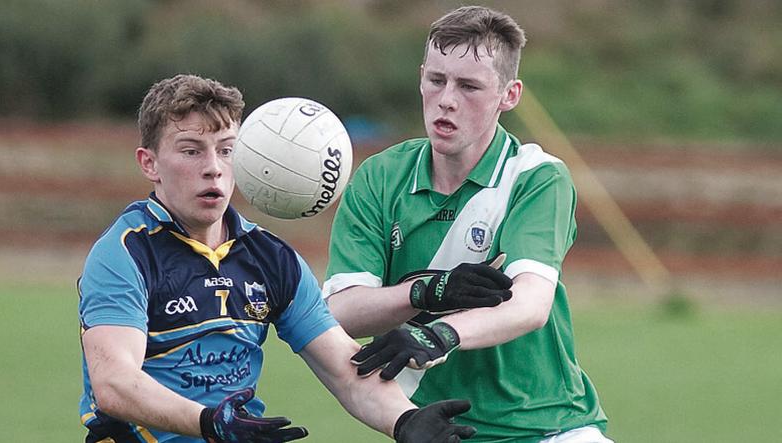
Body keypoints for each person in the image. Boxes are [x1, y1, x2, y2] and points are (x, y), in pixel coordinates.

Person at [77, 73, 478, 442]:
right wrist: (212, 422)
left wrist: (406, 420)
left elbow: (344, 366)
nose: (213, 168)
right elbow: (114, 383)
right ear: (150, 163)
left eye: (226, 150)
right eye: (191, 151)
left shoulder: (270, 257)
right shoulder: (125, 253)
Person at [323, 6, 611, 442]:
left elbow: (530, 305)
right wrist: (426, 291)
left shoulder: (536, 177)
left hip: (550, 427)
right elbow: (342, 312)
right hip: (437, 430)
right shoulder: (380, 177)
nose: (447, 99)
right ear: (421, 77)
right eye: (436, 80)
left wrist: (439, 334)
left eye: (469, 86)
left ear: (509, 95)